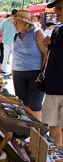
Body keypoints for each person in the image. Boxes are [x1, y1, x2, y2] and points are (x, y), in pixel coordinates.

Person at [12, 10, 47, 120]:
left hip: (35, 73)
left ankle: (37, 133)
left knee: (35, 106)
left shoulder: (37, 33)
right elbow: (14, 56)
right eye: (14, 23)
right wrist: (13, 72)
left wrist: (42, 73)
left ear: (26, 23)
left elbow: (46, 54)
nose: (15, 25)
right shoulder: (16, 36)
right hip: (18, 73)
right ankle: (25, 132)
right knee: (22, 104)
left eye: (18, 22)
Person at [42, 0, 63, 145]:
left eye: (60, 8)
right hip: (52, 87)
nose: (56, 12)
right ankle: (58, 157)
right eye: (56, 8)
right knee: (52, 126)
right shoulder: (56, 30)